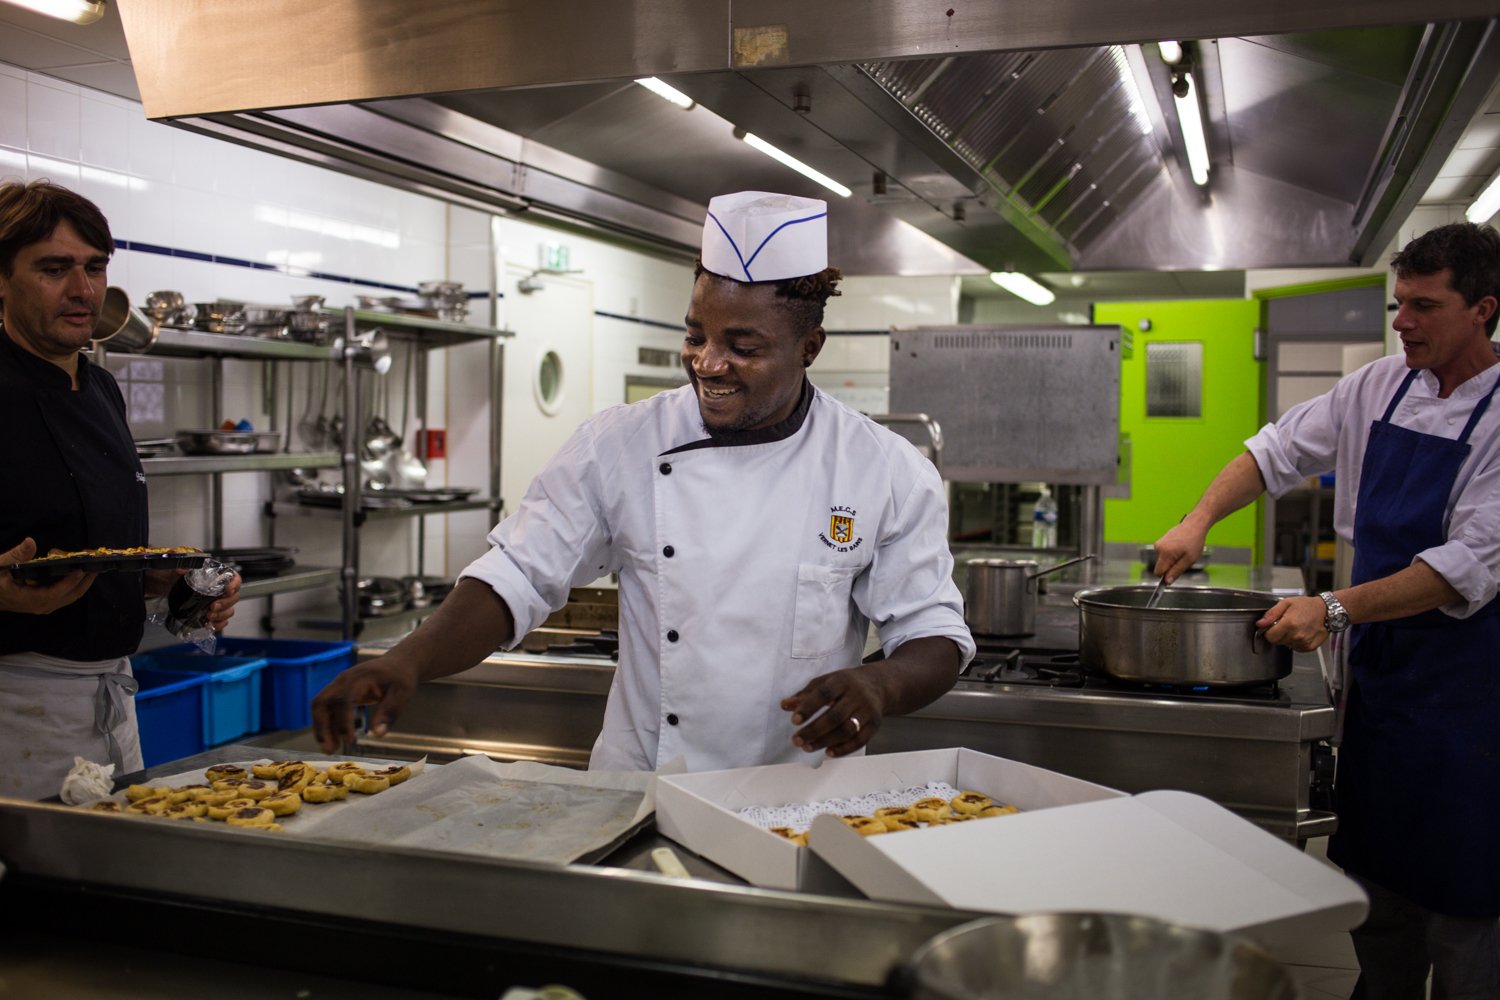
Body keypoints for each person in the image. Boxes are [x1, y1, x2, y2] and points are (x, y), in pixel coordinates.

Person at [313, 190, 975, 770]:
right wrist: (408, 658)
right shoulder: (618, 444)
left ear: (809, 349)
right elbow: (517, 574)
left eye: (743, 347)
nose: (709, 363)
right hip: (643, 790)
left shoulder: (882, 469)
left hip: (797, 801)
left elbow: (934, 634)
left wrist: (880, 685)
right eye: (696, 336)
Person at [1153, 222, 1500, 999]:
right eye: (1397, 303)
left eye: (1424, 305)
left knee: (1464, 914)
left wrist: (1334, 609)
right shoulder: (1378, 386)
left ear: (1482, 308)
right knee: (1376, 897)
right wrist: (1199, 518)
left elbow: (1463, 568)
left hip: (1472, 704)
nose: (1401, 321)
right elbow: (1272, 452)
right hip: (1379, 693)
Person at [0, 180, 241, 800]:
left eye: (95, 268)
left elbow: (93, 542)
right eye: (55, 269)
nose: (83, 291)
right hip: (16, 708)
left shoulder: (101, 388)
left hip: (109, 698)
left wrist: (168, 581)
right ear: (1, 280)